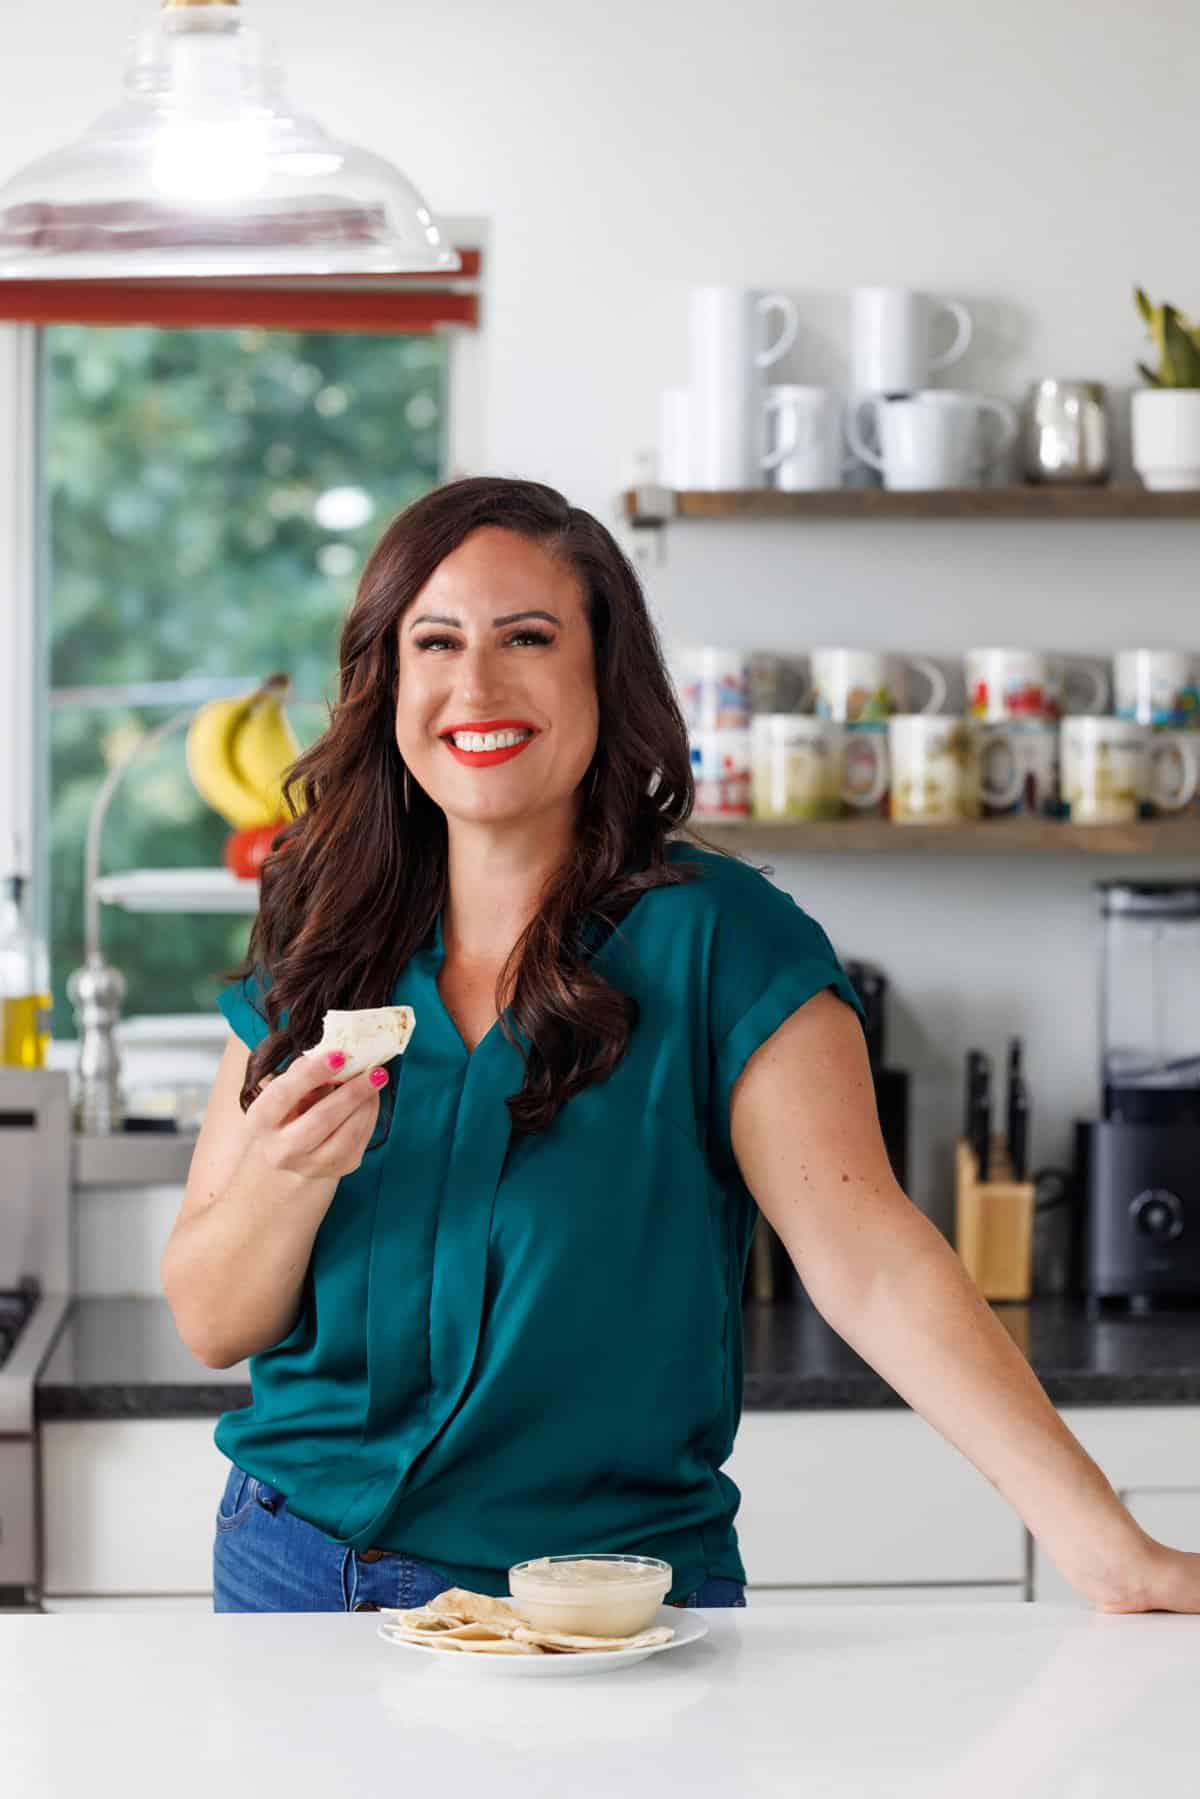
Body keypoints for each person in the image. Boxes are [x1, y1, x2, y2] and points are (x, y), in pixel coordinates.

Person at [164, 476, 1200, 1616]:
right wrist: (281, 1171)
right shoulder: (324, 944)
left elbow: (871, 1260)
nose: (476, 683)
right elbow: (215, 1319)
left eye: (527, 637)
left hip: (600, 1603)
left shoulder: (725, 940)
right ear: (389, 679)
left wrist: (1106, 1545)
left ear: (603, 673)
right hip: (294, 1571)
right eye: (436, 641)